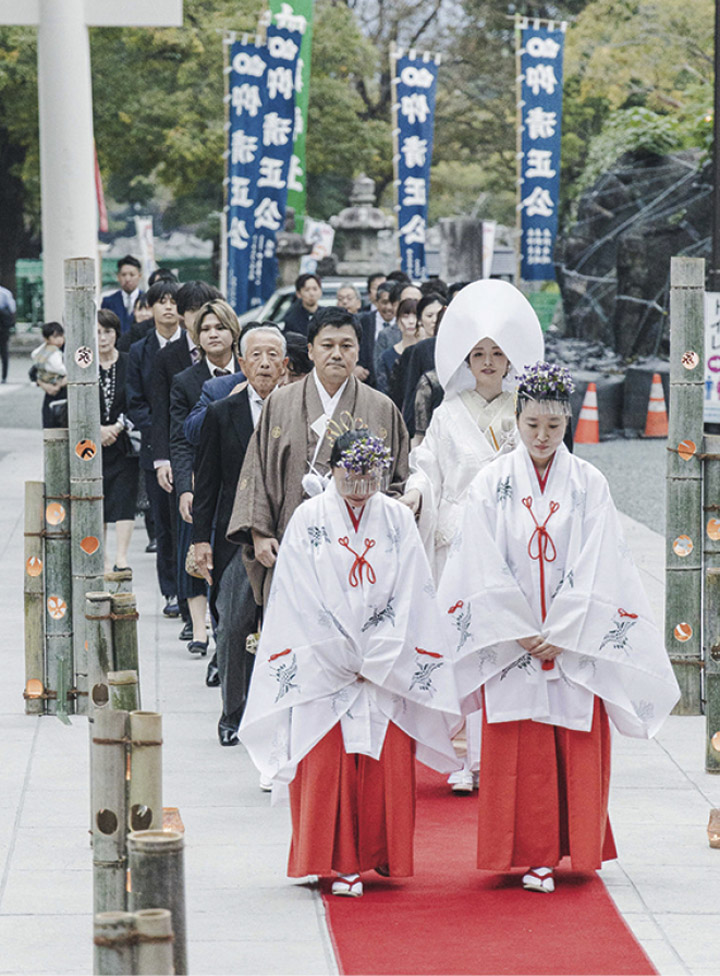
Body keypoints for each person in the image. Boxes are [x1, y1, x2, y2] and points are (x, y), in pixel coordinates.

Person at [438, 362, 680, 893]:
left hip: (574, 641)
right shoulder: (491, 483)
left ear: (568, 420)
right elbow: (478, 558)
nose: (543, 436)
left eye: (553, 425)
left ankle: (570, 847)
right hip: (511, 642)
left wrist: (565, 628)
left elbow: (603, 562)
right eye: (532, 426)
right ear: (516, 423)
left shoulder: (589, 482)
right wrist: (517, 627)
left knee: (570, 743)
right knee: (518, 747)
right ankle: (523, 852)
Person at [238, 429, 461, 897]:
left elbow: (412, 591)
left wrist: (378, 655)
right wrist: (341, 655)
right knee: (326, 763)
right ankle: (333, 860)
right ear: (332, 470)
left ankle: (380, 855)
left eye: (369, 477)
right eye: (350, 476)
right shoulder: (308, 518)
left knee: (384, 762)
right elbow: (296, 595)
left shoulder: (397, 519)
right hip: (326, 663)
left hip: (386, 663)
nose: (360, 488)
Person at [400, 279, 544, 792]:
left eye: (497, 353)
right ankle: (466, 758)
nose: (487, 361)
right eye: (479, 352)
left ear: (510, 360)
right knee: (462, 651)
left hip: (506, 546)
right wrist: (415, 495)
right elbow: (426, 468)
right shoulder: (446, 412)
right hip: (454, 541)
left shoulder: (525, 413)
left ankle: (496, 758)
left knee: (501, 650)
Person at [227, 305, 410, 607]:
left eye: (346, 346)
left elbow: (399, 481)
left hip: (360, 550)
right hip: (291, 545)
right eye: (327, 345)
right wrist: (259, 533)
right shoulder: (280, 403)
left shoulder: (381, 408)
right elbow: (256, 470)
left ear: (358, 351)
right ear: (310, 351)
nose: (336, 354)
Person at [192, 325, 288, 745]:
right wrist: (200, 542)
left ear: (285, 366)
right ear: (242, 363)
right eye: (257, 356)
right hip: (237, 539)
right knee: (233, 625)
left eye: (273, 356)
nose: (265, 363)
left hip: (287, 536)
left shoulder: (294, 410)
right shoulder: (221, 413)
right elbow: (208, 484)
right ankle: (233, 712)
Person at [170, 299, 241, 656]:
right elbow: (182, 440)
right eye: (206, 330)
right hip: (203, 483)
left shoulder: (253, 369)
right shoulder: (187, 381)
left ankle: (226, 638)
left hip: (242, 484)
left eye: (219, 328)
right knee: (201, 556)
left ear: (233, 332)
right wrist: (185, 487)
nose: (213, 334)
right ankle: (205, 631)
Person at [126, 279, 182, 615]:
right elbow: (135, 401)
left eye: (174, 301)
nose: (168, 307)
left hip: (191, 446)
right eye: (161, 301)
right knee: (163, 522)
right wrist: (159, 432)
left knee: (190, 521)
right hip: (154, 448)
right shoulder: (139, 350)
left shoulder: (194, 345)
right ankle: (171, 592)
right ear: (151, 307)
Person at [96, 309, 139, 572]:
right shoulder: (83, 364)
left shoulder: (128, 361)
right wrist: (97, 429)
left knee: (125, 499)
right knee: (96, 499)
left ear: (117, 333)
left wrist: (117, 426)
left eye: (108, 331)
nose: (103, 338)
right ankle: (101, 556)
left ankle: (121, 556)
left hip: (123, 443)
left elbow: (137, 399)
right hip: (91, 446)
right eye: (98, 332)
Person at [377, 298, 420, 406]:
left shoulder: (425, 352)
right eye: (405, 317)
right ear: (398, 321)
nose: (411, 321)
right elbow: (383, 393)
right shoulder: (386, 356)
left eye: (415, 316)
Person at [31, 321, 67, 428]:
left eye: (61, 335)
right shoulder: (44, 351)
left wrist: (60, 384)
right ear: (46, 339)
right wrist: (44, 385)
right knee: (50, 429)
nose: (59, 339)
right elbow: (33, 372)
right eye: (55, 337)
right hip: (50, 395)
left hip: (67, 394)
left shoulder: (69, 349)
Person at [101, 255, 143, 334]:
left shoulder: (147, 300)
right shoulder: (108, 302)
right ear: (118, 276)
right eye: (123, 275)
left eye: (132, 275)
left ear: (139, 276)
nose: (127, 279)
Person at [282, 273, 322, 338]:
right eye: (307, 290)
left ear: (320, 291)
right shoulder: (292, 318)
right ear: (298, 294)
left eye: (315, 289)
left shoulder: (327, 315)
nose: (311, 293)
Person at [0, 282, 16, 383]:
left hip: (2, 327)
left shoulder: (4, 293)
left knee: (4, 351)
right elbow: (12, 309)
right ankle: (4, 376)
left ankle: (4, 376)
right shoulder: (5, 293)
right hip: (3, 328)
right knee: (4, 352)